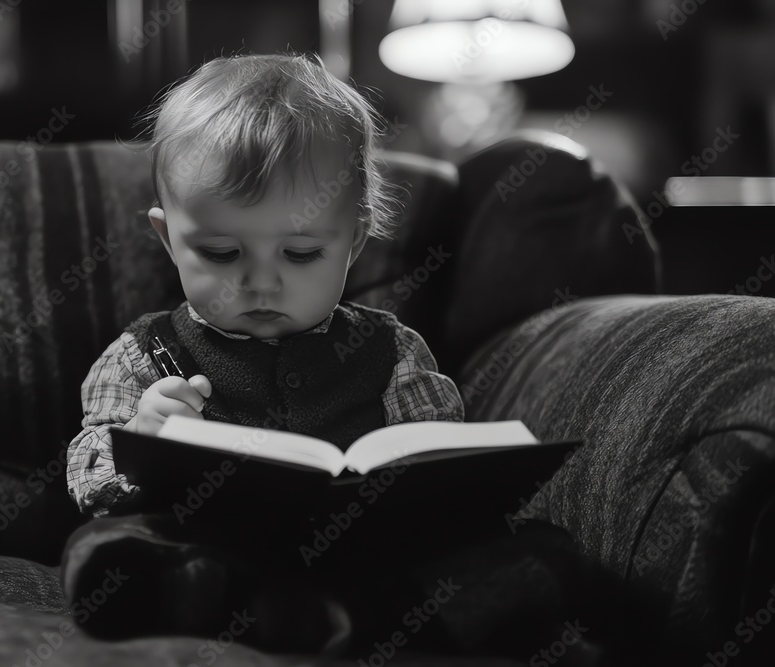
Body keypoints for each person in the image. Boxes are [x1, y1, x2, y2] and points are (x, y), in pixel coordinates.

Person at [62, 52, 596, 660]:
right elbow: (87, 470)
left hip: (363, 556)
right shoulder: (141, 353)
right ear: (168, 238)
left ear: (354, 241)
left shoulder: (393, 351)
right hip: (207, 542)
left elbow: (438, 455)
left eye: (300, 255)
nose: (260, 284)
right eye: (219, 252)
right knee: (108, 546)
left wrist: (435, 474)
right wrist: (142, 440)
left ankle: (348, 617)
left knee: (541, 550)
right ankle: (264, 608)